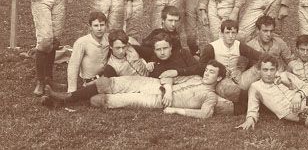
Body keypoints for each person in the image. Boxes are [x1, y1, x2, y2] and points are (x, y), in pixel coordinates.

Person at [45, 61, 226, 119]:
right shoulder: (195, 77)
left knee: (101, 100)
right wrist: (169, 90)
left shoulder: (211, 96)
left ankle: (60, 100)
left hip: (156, 101)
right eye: (207, 70)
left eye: (211, 72)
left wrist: (176, 109)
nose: (206, 73)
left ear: (218, 78)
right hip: (155, 84)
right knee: (108, 83)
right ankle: (66, 97)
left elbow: (205, 115)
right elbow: (166, 76)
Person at [159, 20, 264, 114]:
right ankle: (255, 103)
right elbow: (200, 67)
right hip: (220, 80)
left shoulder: (239, 45)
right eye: (227, 33)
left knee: (262, 67)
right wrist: (178, 72)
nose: (231, 36)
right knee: (230, 91)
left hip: (237, 76)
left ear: (236, 33)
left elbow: (257, 55)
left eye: (233, 33)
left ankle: (261, 94)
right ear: (221, 34)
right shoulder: (211, 47)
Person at [67, 11, 110, 92]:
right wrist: (72, 90)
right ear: (90, 27)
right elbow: (73, 66)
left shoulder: (108, 38)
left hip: (105, 77)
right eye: (96, 26)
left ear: (106, 26)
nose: (99, 29)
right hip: (89, 81)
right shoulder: (82, 42)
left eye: (102, 25)